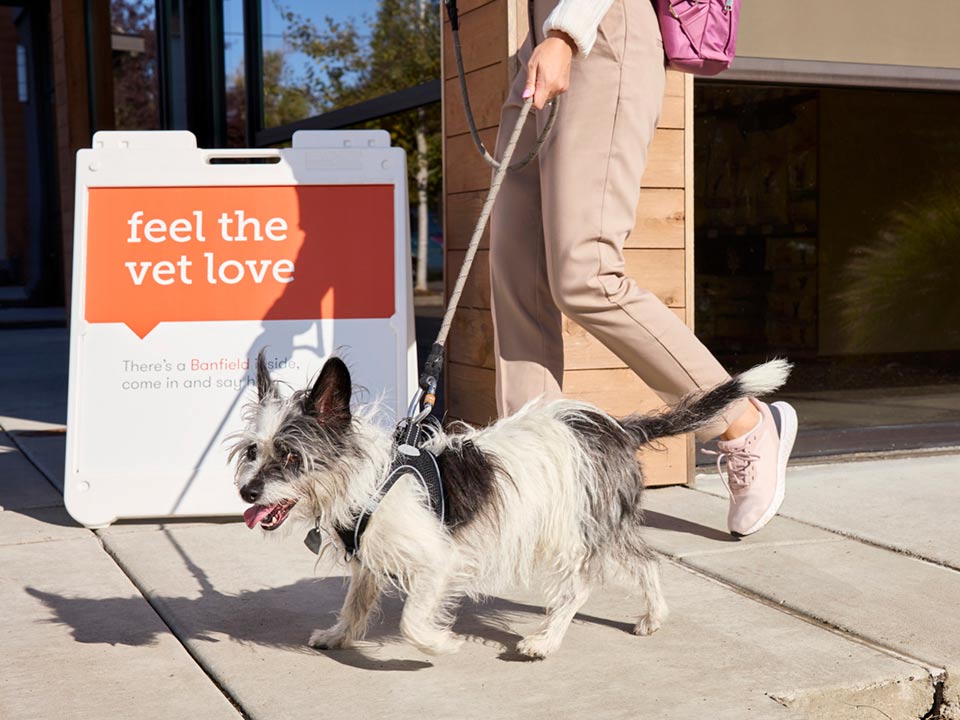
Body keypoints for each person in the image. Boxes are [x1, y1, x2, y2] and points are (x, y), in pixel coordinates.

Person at [488, 0, 798, 537]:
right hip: (539, 39)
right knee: (518, 277)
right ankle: (537, 479)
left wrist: (565, 32)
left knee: (586, 274)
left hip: (597, 29)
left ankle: (742, 423)